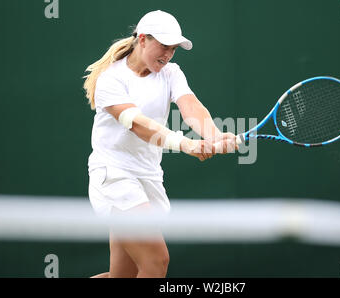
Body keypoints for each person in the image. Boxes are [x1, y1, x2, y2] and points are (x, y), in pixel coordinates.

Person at [83, 10, 237, 278]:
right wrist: (185, 144)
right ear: (142, 39)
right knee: (157, 261)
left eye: (173, 49)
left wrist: (212, 135)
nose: (168, 54)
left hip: (149, 177)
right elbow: (138, 123)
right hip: (114, 177)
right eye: (163, 46)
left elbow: (190, 107)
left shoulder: (171, 73)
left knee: (123, 276)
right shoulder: (111, 79)